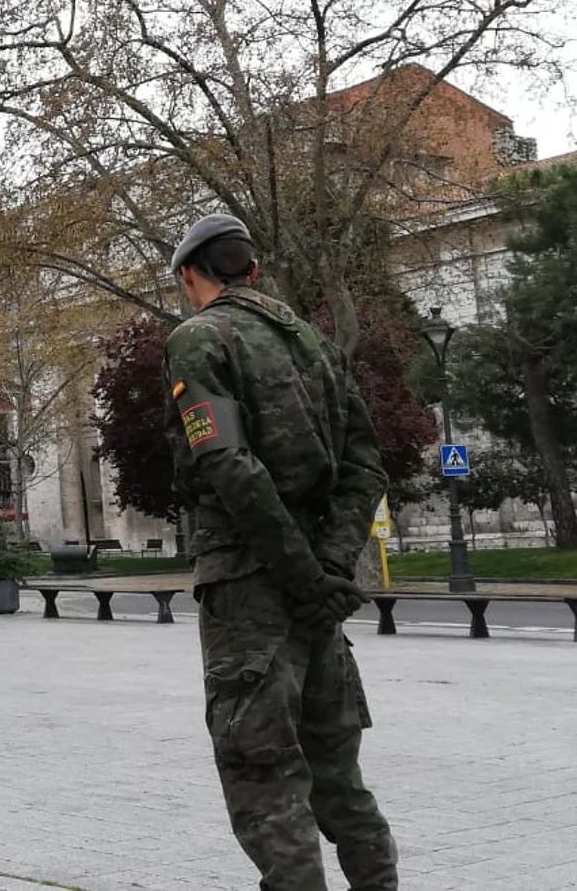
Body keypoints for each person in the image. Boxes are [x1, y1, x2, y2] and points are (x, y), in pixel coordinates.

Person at [163, 213, 398, 891]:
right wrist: (329, 567)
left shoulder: (198, 340)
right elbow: (365, 467)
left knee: (266, 781)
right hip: (317, 597)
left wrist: (298, 573)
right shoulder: (316, 347)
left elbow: (228, 467)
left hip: (251, 591)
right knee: (340, 782)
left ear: (189, 275)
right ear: (253, 270)